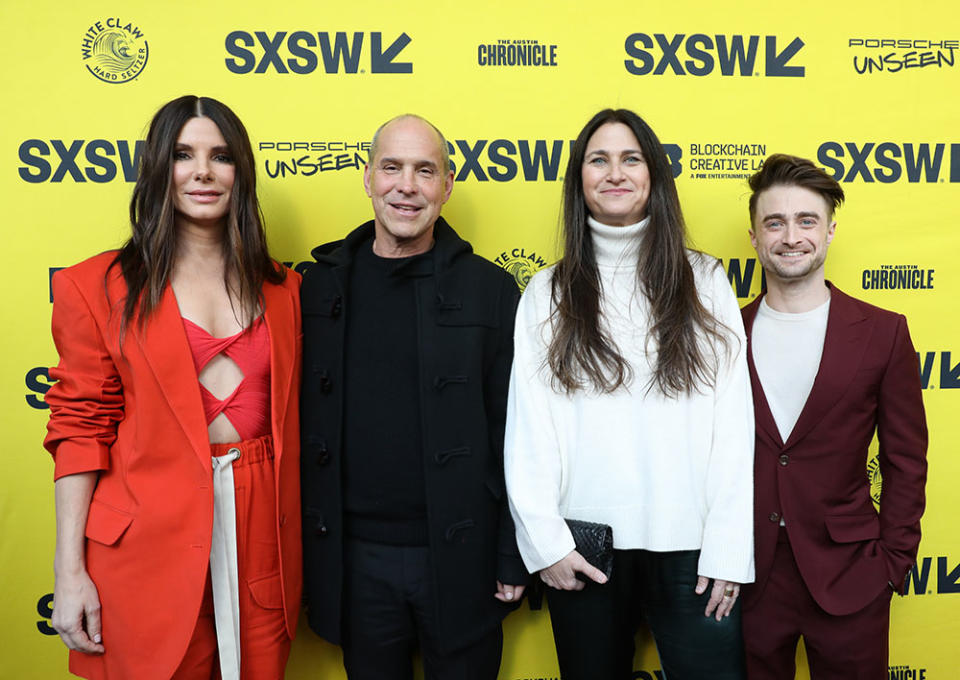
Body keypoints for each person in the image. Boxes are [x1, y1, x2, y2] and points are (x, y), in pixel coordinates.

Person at [44, 95, 302, 680]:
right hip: (141, 543)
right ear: (159, 168)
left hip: (261, 536)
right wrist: (69, 570)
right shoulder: (94, 285)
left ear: (243, 171)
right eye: (184, 155)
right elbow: (79, 430)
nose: (203, 172)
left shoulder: (287, 290)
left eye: (221, 156)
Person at [504, 108, 754, 680]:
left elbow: (733, 426)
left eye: (630, 158)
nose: (615, 172)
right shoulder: (547, 291)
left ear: (653, 176)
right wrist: (546, 542)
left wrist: (729, 549)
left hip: (694, 550)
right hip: (585, 550)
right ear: (580, 179)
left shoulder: (705, 279)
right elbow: (529, 429)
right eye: (599, 160)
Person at [299, 114, 526, 680]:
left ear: (446, 186)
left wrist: (510, 553)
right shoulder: (317, 286)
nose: (407, 185)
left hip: (462, 559)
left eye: (425, 170)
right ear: (368, 176)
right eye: (392, 167)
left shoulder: (490, 289)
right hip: (355, 562)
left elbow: (517, 433)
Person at [740, 154, 927, 679]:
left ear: (829, 231)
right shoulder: (724, 334)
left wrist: (893, 562)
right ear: (754, 237)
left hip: (852, 573)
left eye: (807, 221)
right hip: (749, 576)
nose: (790, 236)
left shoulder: (883, 332)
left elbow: (906, 459)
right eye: (774, 222)